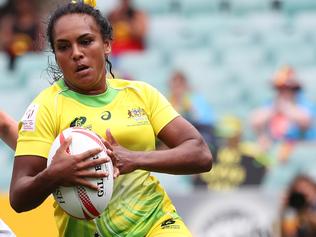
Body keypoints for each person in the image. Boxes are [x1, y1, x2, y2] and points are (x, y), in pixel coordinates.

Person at [9, 2, 212, 237]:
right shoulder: (45, 108)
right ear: (55, 55)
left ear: (106, 45)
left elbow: (201, 154)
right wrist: (53, 175)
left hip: (155, 223)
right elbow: (18, 197)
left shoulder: (140, 94)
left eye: (85, 41)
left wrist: (135, 159)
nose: (76, 53)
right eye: (63, 47)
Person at [250, 65, 316, 152]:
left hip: (302, 150)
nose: (283, 92)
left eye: (287, 88)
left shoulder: (304, 104)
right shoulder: (272, 104)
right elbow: (255, 121)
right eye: (279, 88)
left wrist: (285, 108)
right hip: (277, 150)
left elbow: (305, 121)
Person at [199, 115, 268, 191]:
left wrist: (260, 154)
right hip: (209, 197)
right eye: (224, 136)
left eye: (230, 136)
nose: (226, 140)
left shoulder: (250, 151)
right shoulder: (212, 151)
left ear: (239, 135)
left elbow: (266, 167)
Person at [0, 0, 45, 70]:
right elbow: (4, 43)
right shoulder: (9, 21)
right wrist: (15, 43)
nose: (23, 5)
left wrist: (29, 46)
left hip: (32, 62)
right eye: (20, 3)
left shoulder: (37, 22)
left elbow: (41, 46)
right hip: (13, 63)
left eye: (26, 2)